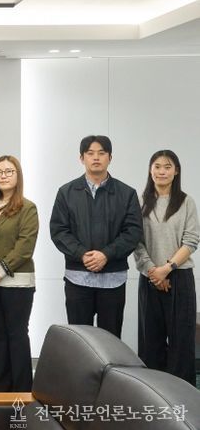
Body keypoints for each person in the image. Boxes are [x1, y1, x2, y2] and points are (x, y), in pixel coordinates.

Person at [49, 135, 142, 338]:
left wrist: (106, 255)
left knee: (110, 340)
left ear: (110, 157)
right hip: (78, 278)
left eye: (101, 153)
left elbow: (133, 232)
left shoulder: (127, 193)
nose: (96, 158)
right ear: (82, 158)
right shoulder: (66, 192)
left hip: (113, 279)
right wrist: (82, 254)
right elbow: (59, 230)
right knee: (79, 340)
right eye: (90, 153)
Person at [134, 150, 198, 385]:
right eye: (157, 166)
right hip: (150, 278)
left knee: (182, 343)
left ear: (176, 171)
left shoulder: (186, 202)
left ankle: (183, 399)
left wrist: (167, 268)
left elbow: (191, 240)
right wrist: (154, 271)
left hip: (180, 278)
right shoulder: (139, 202)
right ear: (150, 170)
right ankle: (153, 396)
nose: (162, 171)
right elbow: (136, 241)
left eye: (167, 167)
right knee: (150, 343)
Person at [0, 156, 38, 392]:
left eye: (9, 171)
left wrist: (0, 269)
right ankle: (2, 393)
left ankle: (23, 394)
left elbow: (25, 246)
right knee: (0, 336)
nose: (3, 176)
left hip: (17, 282)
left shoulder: (27, 207)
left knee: (17, 336)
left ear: (18, 176)